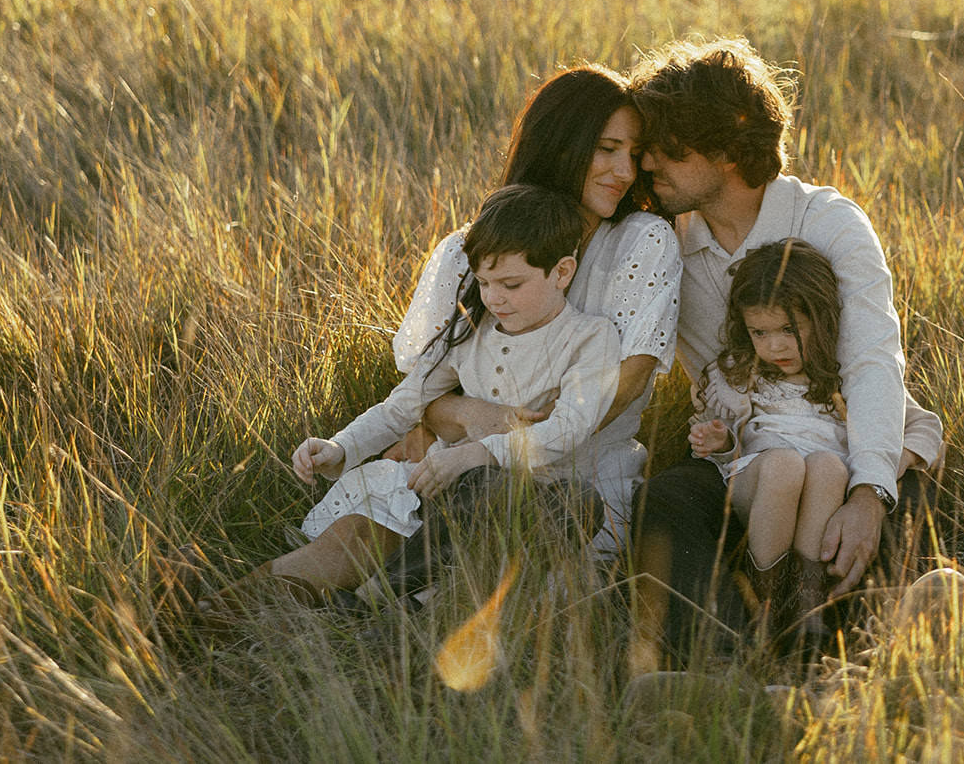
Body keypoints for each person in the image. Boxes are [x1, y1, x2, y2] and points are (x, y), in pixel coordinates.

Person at [626, 36, 945, 672]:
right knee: (662, 504)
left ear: (724, 149)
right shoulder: (659, 240)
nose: (648, 164)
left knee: (899, 511)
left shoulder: (830, 224)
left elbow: (872, 362)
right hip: (744, 454)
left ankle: (856, 651)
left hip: (845, 442)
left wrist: (869, 493)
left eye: (668, 149)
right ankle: (729, 660)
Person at [200, 185, 621, 617]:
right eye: (484, 283)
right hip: (443, 489)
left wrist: (477, 453)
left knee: (547, 498)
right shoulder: (470, 331)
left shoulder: (590, 338)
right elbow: (403, 405)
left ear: (562, 272)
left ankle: (381, 602)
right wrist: (341, 447)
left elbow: (570, 427)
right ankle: (211, 612)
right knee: (357, 538)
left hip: (526, 500)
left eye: (511, 284)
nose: (494, 298)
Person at [389, 65, 681, 554]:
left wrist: (506, 441)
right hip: (457, 464)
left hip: (583, 478)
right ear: (560, 143)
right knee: (351, 545)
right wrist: (469, 412)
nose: (626, 173)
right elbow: (420, 394)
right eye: (607, 150)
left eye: (633, 155)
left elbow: (628, 384)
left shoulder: (644, 241)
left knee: (527, 590)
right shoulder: (471, 249)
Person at [688, 238, 849, 652]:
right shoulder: (741, 374)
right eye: (759, 332)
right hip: (756, 480)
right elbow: (726, 445)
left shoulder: (847, 376)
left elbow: (916, 429)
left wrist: (889, 466)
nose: (774, 346)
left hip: (822, 495)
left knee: (829, 465)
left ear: (822, 319)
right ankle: (764, 606)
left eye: (789, 331)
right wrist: (721, 441)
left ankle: (807, 606)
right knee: (784, 464)